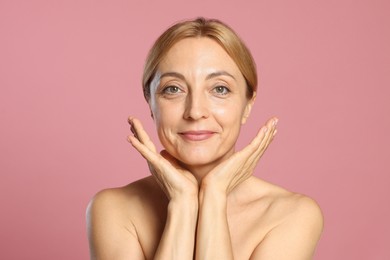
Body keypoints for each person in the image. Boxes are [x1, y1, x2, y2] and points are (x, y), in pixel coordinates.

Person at [86, 17, 323, 260]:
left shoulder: (292, 215)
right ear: (150, 102)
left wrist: (214, 195)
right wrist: (182, 205)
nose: (195, 111)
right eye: (173, 89)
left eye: (220, 89)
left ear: (248, 105)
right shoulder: (113, 209)